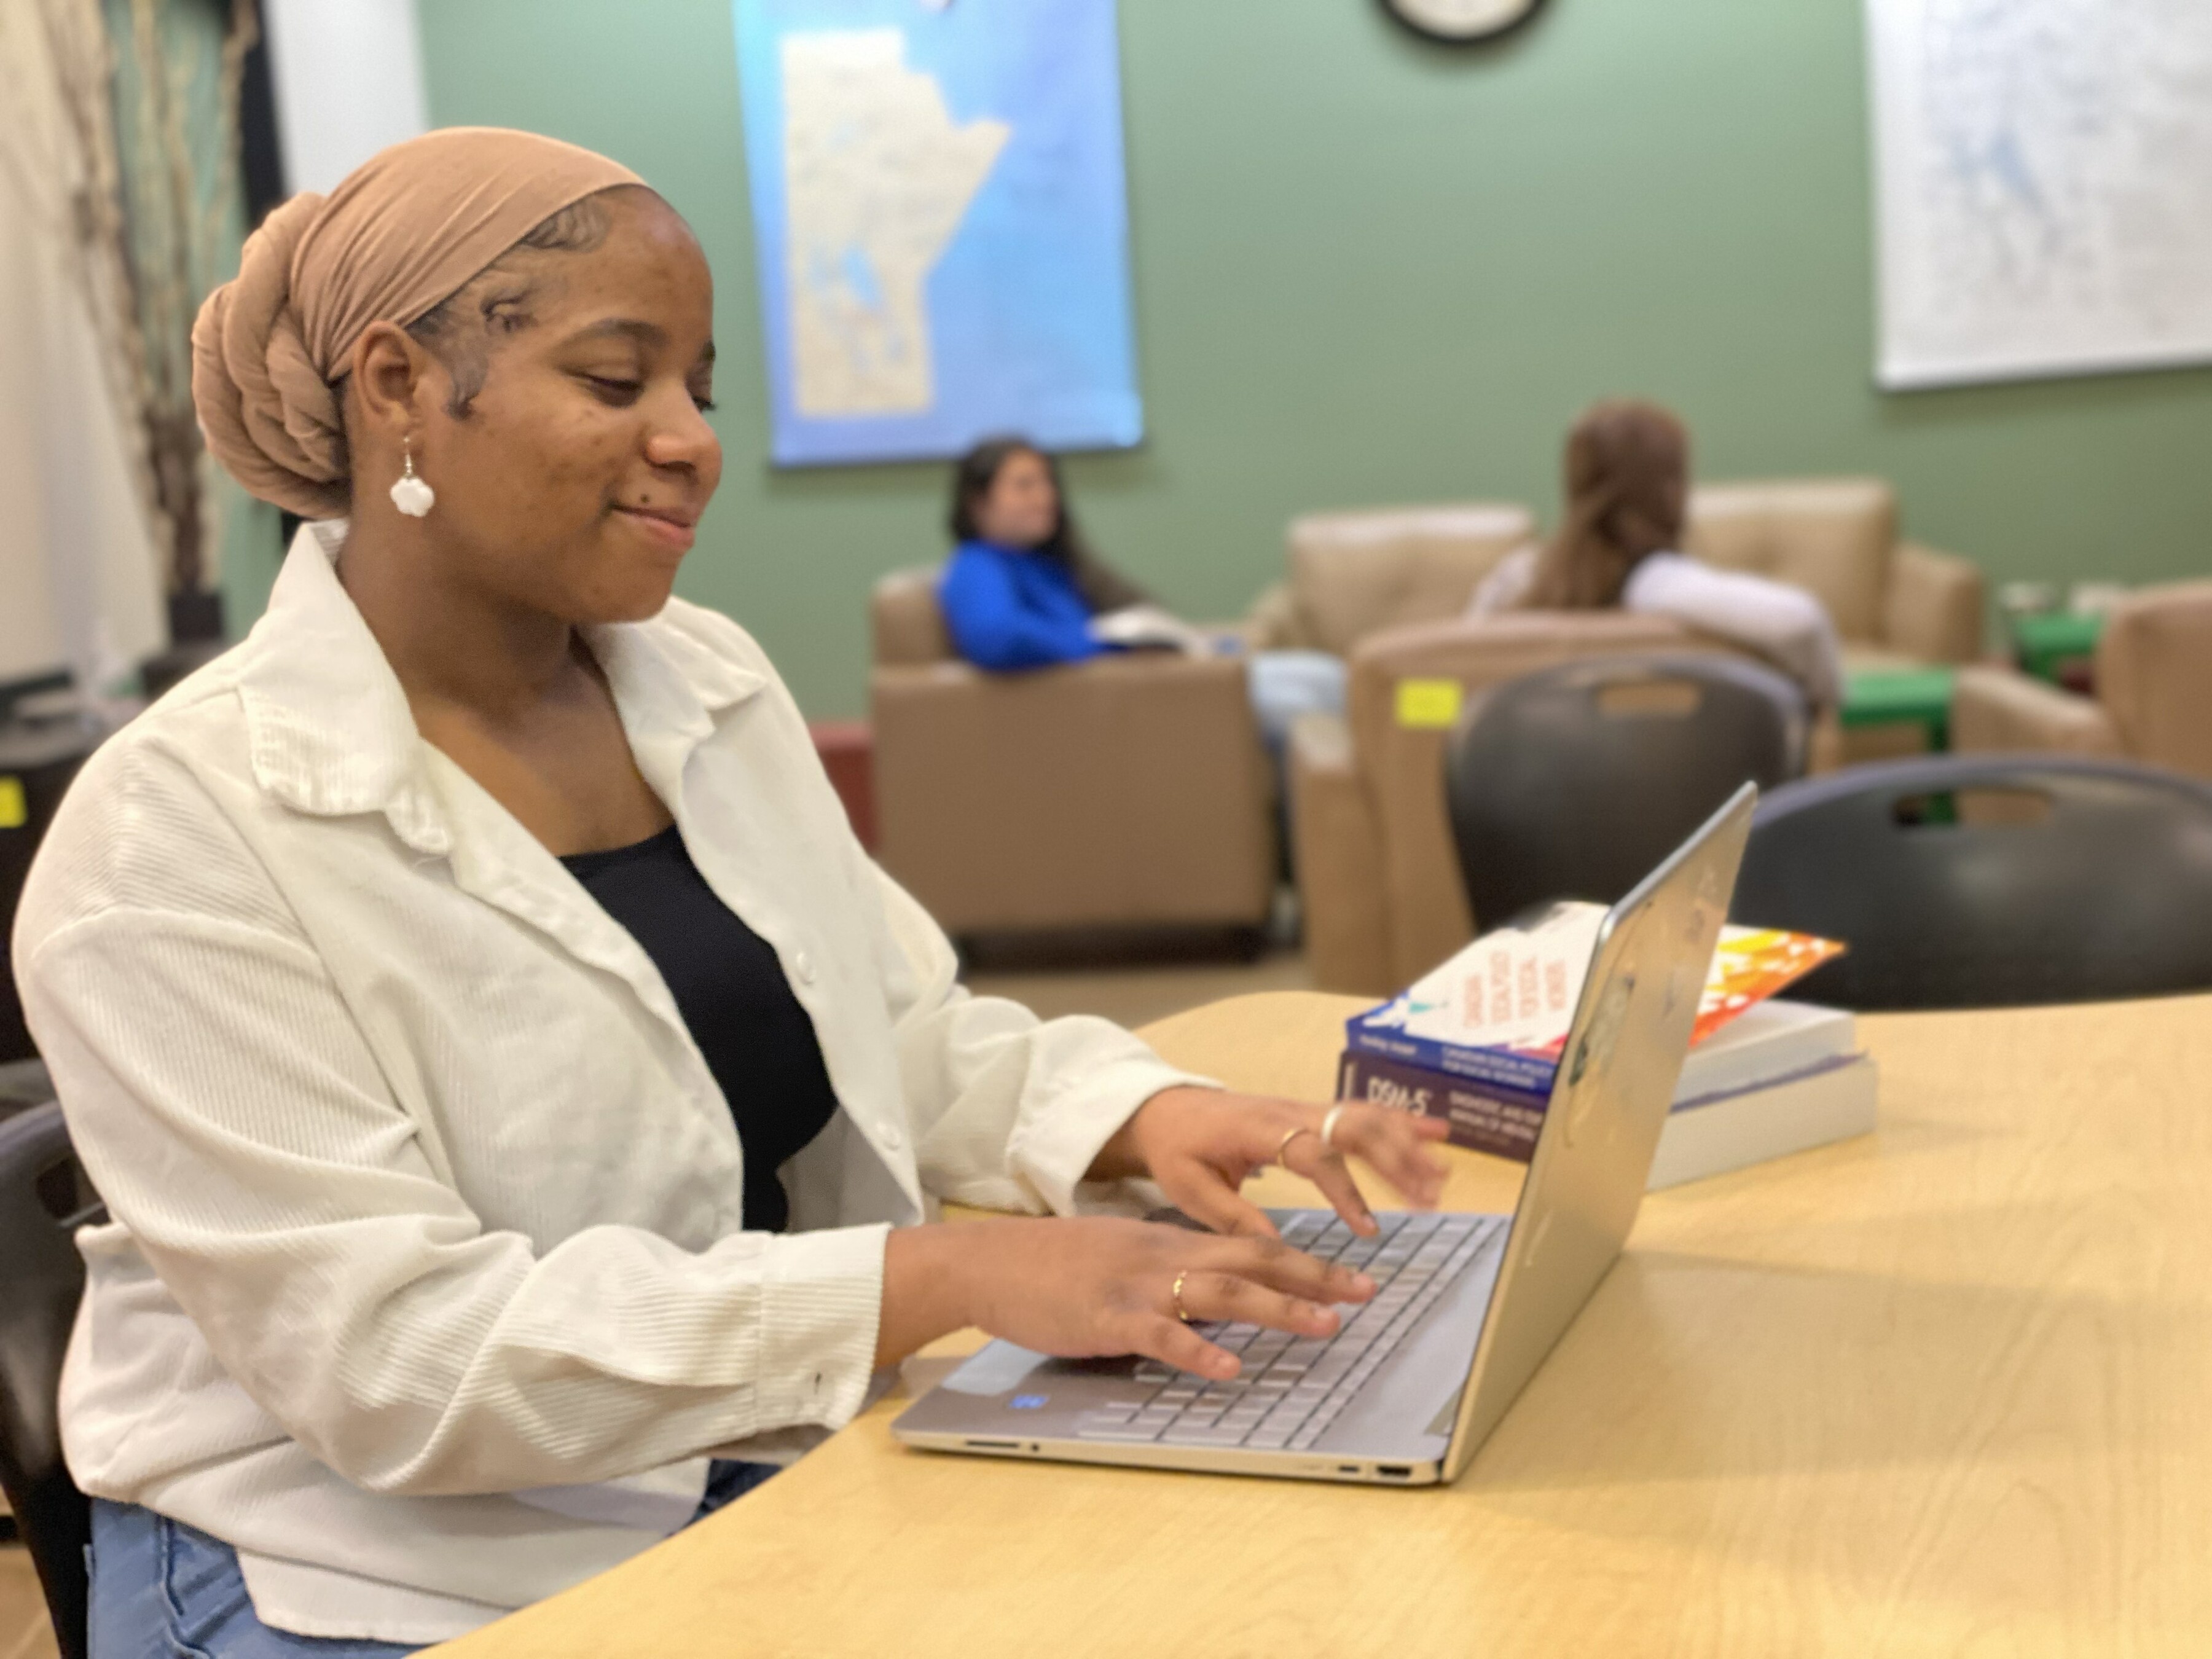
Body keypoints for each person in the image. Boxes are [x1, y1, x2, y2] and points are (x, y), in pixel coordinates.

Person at [13, 128, 1449, 1657]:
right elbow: (400, 1359)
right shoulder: (171, 832)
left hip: (730, 1462)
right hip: (348, 1563)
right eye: (619, 379)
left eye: (701, 387)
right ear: (396, 389)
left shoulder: (705, 678)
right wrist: (946, 1270)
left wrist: (1138, 1114)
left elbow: (893, 1026)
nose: (691, 437)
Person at [936, 437, 1350, 759]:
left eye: (1046, 483)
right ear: (978, 503)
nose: (1044, 497)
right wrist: (1104, 645)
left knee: (1326, 676)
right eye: (1024, 486)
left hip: (1145, 682)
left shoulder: (1047, 565)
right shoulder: (977, 567)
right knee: (1305, 700)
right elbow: (996, 638)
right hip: (1125, 700)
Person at [1469, 401, 1844, 710]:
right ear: (1671, 492)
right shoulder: (1659, 584)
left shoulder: (1514, 579)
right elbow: (1800, 623)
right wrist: (1826, 702)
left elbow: (1456, 667)